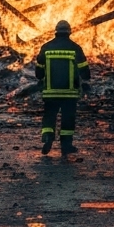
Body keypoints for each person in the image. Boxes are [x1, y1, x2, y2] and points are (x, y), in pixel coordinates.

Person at [35, 20, 90, 157]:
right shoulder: (75, 48)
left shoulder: (46, 47)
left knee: (49, 116)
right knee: (68, 118)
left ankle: (48, 136)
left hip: (50, 92)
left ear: (56, 31)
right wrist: (84, 78)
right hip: (69, 93)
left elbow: (38, 73)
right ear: (69, 32)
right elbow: (85, 72)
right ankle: (66, 146)